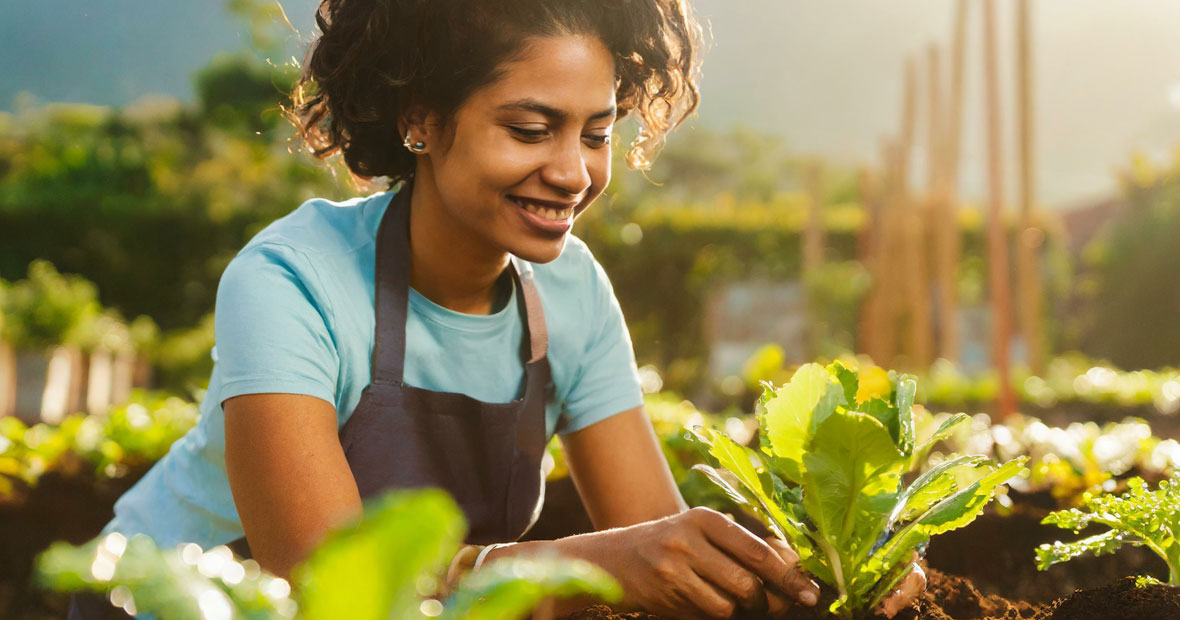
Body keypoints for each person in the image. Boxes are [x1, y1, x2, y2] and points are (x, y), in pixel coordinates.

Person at [74, 1, 925, 618]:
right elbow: (322, 577)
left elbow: (652, 539)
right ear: (421, 119)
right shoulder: (291, 281)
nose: (574, 172)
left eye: (596, 133)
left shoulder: (573, 291)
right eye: (530, 129)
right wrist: (570, 566)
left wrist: (818, 576)